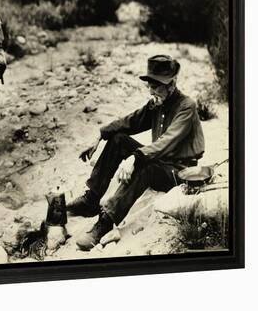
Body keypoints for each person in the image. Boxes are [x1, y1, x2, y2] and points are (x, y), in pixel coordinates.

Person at [69, 55, 205, 251]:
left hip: (179, 172)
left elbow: (167, 142)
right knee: (118, 140)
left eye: (156, 86)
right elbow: (131, 122)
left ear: (172, 84)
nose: (151, 91)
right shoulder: (157, 102)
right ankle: (92, 198)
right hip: (159, 160)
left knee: (146, 167)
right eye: (149, 85)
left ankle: (105, 222)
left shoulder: (187, 107)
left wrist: (135, 157)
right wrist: (100, 134)